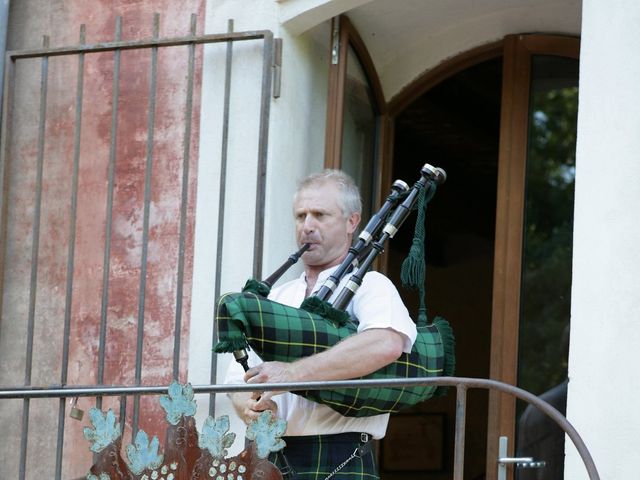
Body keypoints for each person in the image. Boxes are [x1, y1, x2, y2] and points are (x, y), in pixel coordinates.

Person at [225, 169, 417, 479]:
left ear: (352, 222)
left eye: (320, 215)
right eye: (301, 216)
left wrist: (292, 373)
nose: (307, 227)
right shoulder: (276, 297)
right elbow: (237, 379)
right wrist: (248, 407)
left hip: (342, 453)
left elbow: (386, 342)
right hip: (270, 455)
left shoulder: (370, 285)